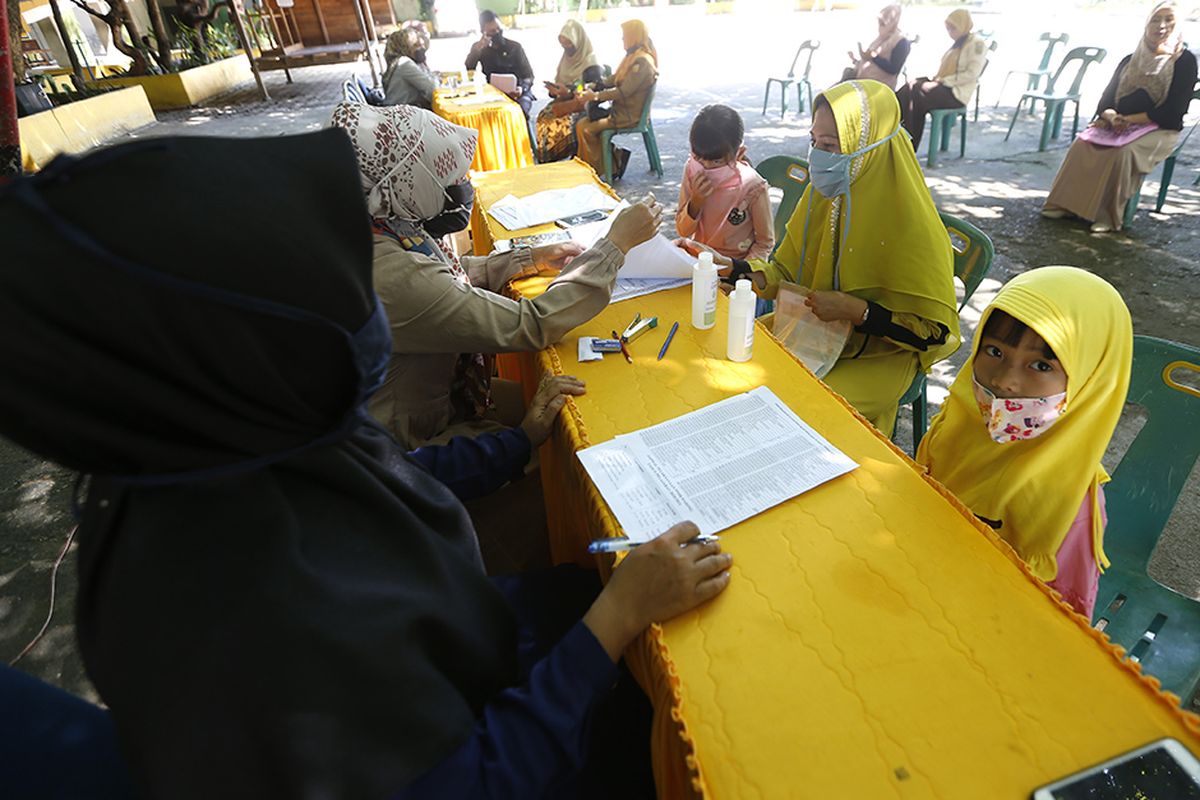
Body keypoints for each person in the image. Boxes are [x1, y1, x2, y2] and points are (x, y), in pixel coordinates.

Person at [0, 131, 733, 798]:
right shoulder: (238, 607)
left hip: (456, 645)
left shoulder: (236, 443)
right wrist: (618, 614)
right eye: (331, 285)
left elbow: (388, 476)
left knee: (581, 584)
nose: (365, 299)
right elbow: (473, 780)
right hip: (486, 747)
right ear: (229, 349)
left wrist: (520, 443)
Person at [329, 101, 662, 448]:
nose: (461, 188)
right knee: (574, 429)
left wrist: (527, 258)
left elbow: (442, 278)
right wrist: (615, 245)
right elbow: (531, 324)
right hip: (406, 448)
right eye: (447, 177)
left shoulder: (374, 221)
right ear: (403, 181)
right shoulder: (389, 274)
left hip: (428, 399)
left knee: (552, 402)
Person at [678, 80, 960, 437]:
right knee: (722, 365)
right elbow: (783, 271)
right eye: (814, 142)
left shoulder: (912, 226)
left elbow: (932, 333)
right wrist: (731, 266)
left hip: (881, 354)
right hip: (813, 326)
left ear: (870, 148)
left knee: (791, 412)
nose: (818, 157)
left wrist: (857, 311)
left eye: (829, 146)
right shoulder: (822, 196)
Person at [917, 267, 1133, 619]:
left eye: (1041, 365)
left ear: (1090, 379)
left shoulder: (1063, 508)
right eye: (995, 352)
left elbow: (1055, 619)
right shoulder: (956, 425)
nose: (1006, 382)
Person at [1043, 2, 1197, 233]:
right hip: (1119, 123)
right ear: (1147, 24)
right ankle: (1065, 204)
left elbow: (1173, 112)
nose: (1161, 26)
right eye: (1155, 20)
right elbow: (1105, 101)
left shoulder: (1184, 62)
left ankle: (1106, 215)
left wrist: (1131, 120)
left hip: (1160, 129)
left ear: (1177, 26)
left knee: (1122, 152)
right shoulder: (1129, 60)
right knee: (1082, 143)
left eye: (1168, 21)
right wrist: (1112, 117)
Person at [676, 104, 774, 261]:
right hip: (700, 260)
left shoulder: (754, 188)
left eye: (716, 161)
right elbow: (683, 230)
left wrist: (738, 273)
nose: (706, 168)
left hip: (736, 268)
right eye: (698, 157)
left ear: (739, 153)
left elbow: (765, 244)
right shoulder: (692, 170)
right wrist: (696, 201)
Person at [576, 20, 658, 179]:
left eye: (625, 36)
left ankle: (598, 171)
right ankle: (612, 163)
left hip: (628, 115)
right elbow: (614, 79)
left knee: (586, 129)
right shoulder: (632, 56)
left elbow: (623, 91)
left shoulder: (642, 61)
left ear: (634, 36)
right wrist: (595, 85)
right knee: (581, 124)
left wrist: (596, 96)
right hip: (621, 111)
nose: (622, 40)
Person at [895, 9, 987, 150]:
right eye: (948, 29)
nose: (950, 32)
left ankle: (909, 142)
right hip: (944, 86)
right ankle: (893, 118)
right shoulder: (958, 43)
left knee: (916, 92)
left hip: (956, 93)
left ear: (963, 25)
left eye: (953, 29)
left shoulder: (976, 43)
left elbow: (972, 74)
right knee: (912, 86)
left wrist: (945, 81)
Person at [534, 19, 603, 162]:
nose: (566, 47)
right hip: (564, 102)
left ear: (578, 41)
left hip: (583, 105)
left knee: (559, 122)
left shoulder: (590, 62)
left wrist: (569, 93)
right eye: (563, 44)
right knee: (543, 116)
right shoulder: (565, 59)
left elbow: (589, 88)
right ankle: (547, 160)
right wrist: (554, 91)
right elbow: (560, 83)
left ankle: (573, 158)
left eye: (569, 43)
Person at [465, 10, 535, 116]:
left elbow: (529, 75)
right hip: (493, 93)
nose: (497, 32)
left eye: (499, 28)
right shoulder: (480, 48)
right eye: (492, 31)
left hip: (519, 91)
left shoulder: (515, 47)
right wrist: (478, 50)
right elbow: (469, 68)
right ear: (484, 32)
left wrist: (521, 88)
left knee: (519, 113)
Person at [842, 4, 910, 90]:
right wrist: (855, 60)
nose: (880, 26)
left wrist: (874, 56)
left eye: (883, 23)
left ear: (893, 22)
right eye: (879, 22)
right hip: (862, 83)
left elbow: (894, 69)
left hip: (878, 90)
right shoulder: (881, 38)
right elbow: (870, 62)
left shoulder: (901, 42)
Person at [382, 21, 436, 109]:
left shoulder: (398, 61)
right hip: (402, 116)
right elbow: (432, 89)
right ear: (405, 47)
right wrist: (434, 77)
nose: (422, 49)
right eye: (416, 45)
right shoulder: (405, 64)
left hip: (401, 111)